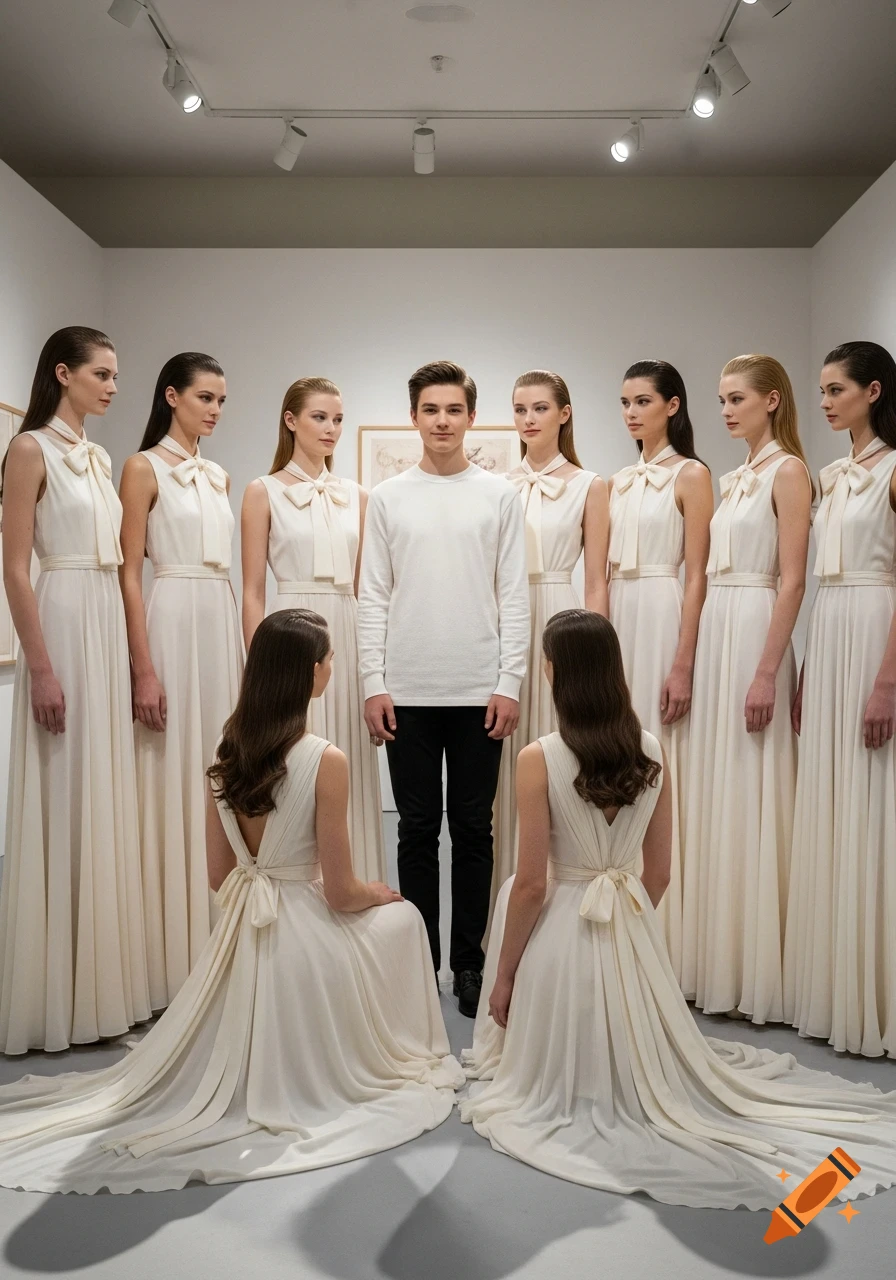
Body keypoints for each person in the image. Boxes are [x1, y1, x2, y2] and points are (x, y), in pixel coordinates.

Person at [0, 609, 461, 1193]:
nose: (332, 668)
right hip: (305, 933)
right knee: (406, 919)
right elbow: (343, 894)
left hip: (243, 928)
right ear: (311, 674)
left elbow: (219, 877)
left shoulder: (229, 746)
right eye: (329, 659)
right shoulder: (325, 759)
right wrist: (376, 892)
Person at [459, 609, 896, 1209]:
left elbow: (533, 885)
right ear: (612, 672)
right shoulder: (650, 749)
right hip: (630, 933)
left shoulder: (540, 757)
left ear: (556, 673)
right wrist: (628, 928)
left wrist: (505, 975)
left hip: (559, 942)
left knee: (514, 901)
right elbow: (659, 873)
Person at [358, 361, 529, 1017]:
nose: (442, 421)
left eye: (453, 410)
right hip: (407, 689)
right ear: (414, 417)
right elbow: (371, 595)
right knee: (416, 833)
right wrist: (375, 682)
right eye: (430, 409)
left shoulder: (499, 496)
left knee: (475, 832)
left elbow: (514, 596)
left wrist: (509, 681)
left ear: (469, 416)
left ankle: (467, 964)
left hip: (479, 688)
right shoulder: (389, 497)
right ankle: (418, 962)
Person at [0, 326, 151, 1054]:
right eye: (103, 373)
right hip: (60, 617)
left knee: (102, 794)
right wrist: (42, 665)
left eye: (118, 375)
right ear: (63, 374)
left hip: (100, 621)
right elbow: (15, 568)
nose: (114, 386)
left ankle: (102, 989)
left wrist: (130, 660)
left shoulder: (96, 458)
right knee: (63, 793)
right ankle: (52, 998)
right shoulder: (31, 449)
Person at [681, 355, 812, 1025]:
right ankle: (718, 959)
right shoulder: (733, 479)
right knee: (721, 791)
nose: (726, 409)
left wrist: (768, 671)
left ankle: (761, 969)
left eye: (737, 398)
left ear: (771, 400)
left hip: (757, 628)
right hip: (720, 630)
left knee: (757, 787)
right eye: (722, 398)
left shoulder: (789, 472)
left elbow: (793, 580)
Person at [119, 353, 244, 1011]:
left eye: (222, 399)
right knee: (169, 772)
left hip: (217, 622)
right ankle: (165, 948)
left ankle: (216, 934)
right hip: (169, 617)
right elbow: (128, 573)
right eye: (204, 397)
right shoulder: (142, 467)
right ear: (171, 397)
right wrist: (143, 666)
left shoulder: (219, 475)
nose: (215, 410)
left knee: (218, 771)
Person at [785, 340, 896, 1058]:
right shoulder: (829, 475)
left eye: (835, 390)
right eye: (820, 390)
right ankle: (833, 983)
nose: (823, 402)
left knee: (873, 798)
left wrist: (886, 680)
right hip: (828, 636)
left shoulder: (892, 472)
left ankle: (878, 987)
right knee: (829, 798)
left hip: (875, 634)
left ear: (874, 392)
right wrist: (800, 667)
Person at [241, 377, 384, 880]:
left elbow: (369, 591)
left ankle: (353, 883)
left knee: (346, 759)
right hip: (288, 634)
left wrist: (374, 672)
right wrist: (256, 668)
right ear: (291, 420)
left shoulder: (360, 496)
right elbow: (254, 590)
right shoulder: (262, 491)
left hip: (344, 632)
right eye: (320, 417)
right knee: (290, 757)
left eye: (338, 419)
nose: (331, 428)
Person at [608, 360, 713, 983]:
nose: (630, 413)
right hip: (619, 612)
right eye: (623, 402)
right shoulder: (619, 480)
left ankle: (667, 923)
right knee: (616, 754)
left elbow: (696, 573)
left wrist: (683, 661)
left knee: (661, 756)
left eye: (642, 401)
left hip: (661, 609)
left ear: (672, 406)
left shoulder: (693, 474)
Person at [491, 370, 608, 908]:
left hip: (562, 617)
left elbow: (597, 580)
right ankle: (508, 909)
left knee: (564, 758)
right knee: (504, 768)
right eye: (519, 410)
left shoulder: (590, 485)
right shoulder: (492, 485)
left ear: (564, 413)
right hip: (502, 624)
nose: (528, 419)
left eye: (539, 408)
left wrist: (594, 654)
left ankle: (560, 907)